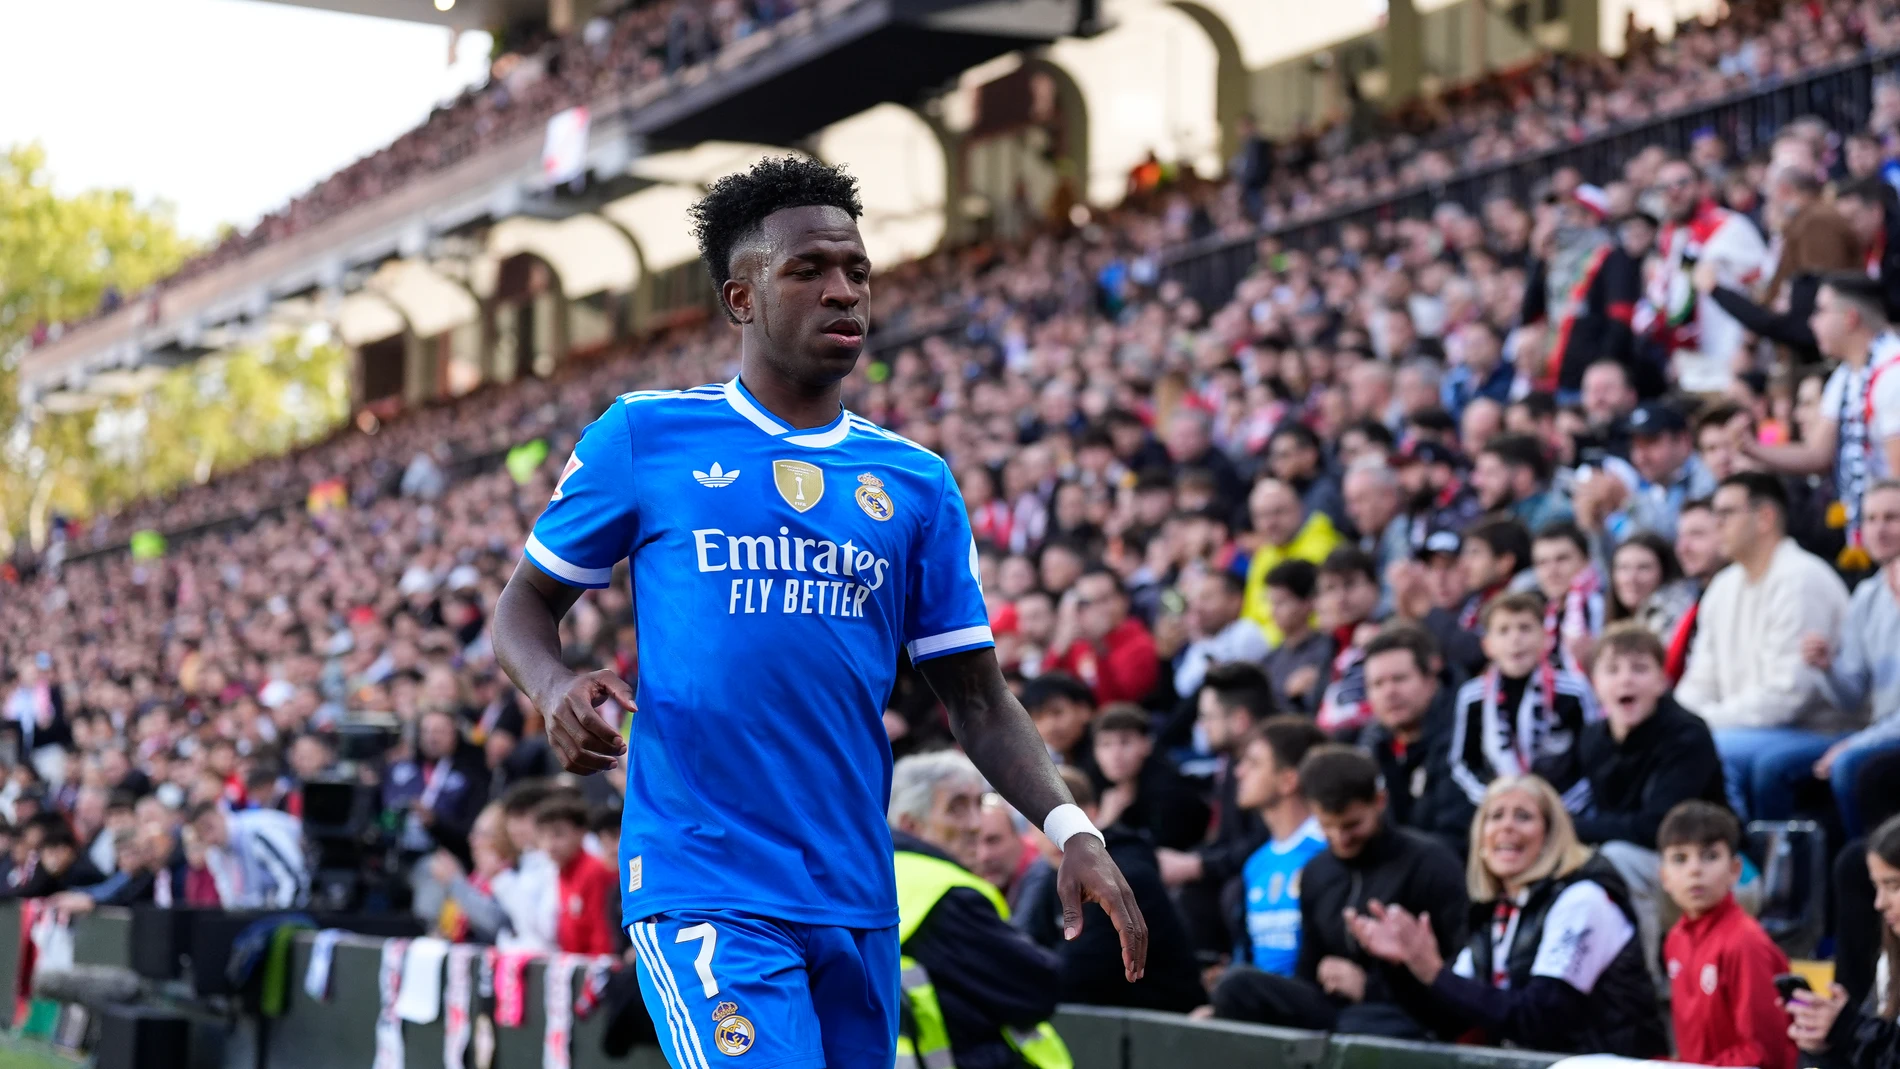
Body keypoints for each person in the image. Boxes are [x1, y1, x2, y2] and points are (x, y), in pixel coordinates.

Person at [492, 157, 1144, 1069]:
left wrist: (1072, 829)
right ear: (742, 297)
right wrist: (554, 684)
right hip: (705, 880)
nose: (844, 291)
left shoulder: (916, 482)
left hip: (856, 892)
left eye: (857, 270)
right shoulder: (645, 436)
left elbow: (980, 699)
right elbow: (524, 604)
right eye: (808, 270)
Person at [1348, 775, 1667, 1057]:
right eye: (1495, 816)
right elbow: (1451, 1019)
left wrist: (1433, 971)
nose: (1506, 826)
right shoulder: (1493, 912)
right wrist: (1403, 967)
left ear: (1551, 836)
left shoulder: (1584, 900)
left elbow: (1539, 1017)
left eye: (1523, 816)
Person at [1208, 746, 1467, 1037]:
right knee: (1236, 987)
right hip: (1334, 1010)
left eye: (1352, 825)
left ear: (1379, 802)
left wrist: (1369, 987)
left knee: (1361, 1024)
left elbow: (1459, 974)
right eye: (1327, 825)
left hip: (1408, 1012)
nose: (1341, 838)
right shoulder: (1317, 872)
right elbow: (1307, 973)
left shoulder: (1429, 863)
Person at [1676, 472, 1854, 821]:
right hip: (1742, 725)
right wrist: (1682, 723)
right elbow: (1699, 680)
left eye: (1727, 513)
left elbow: (1788, 697)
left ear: (1765, 518)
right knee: (1676, 744)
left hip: (1817, 730)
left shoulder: (1802, 578)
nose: (1717, 525)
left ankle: (1741, 848)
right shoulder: (1722, 586)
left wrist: (1700, 725)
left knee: (1710, 750)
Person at [886, 752, 1069, 1069]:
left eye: (978, 804)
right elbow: (1036, 988)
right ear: (910, 824)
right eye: (956, 808)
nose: (975, 824)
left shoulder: (882, 877)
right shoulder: (947, 894)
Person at [1577, 623, 1729, 984]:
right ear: (1595, 684)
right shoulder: (1593, 739)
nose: (1625, 679)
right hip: (1655, 870)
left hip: (1720, 870)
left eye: (1639, 668)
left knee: (1615, 860)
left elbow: (1657, 828)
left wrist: (1570, 828)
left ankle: (1643, 990)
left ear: (1662, 681)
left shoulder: (1687, 734)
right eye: (1612, 670)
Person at [1744, 274, 1900, 565]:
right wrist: (1750, 448)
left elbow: (1898, 476)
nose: (1812, 322)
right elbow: (1816, 454)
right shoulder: (1846, 375)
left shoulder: (1894, 373)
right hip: (1874, 529)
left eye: (1820, 311)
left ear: (1851, 318)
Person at [1045, 766, 1205, 1012]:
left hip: (1167, 1021)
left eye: (1064, 822)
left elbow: (1079, 973)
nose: (1054, 837)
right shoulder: (1051, 874)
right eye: (1045, 825)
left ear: (1091, 815)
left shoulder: (1121, 872)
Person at [1658, 801, 1797, 1069]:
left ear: (1734, 870)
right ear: (1664, 877)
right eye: (1680, 859)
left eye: (1710, 856)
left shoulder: (1745, 942)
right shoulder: (1675, 939)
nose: (1694, 870)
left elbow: (1763, 1054)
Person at [1806, 479, 1900, 840]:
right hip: (1877, 730)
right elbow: (1851, 697)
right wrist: (1827, 667)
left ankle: (1873, 862)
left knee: (1847, 765)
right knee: (1772, 767)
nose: (1879, 529)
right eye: (1871, 519)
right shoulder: (1867, 594)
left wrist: (1858, 744)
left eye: (1891, 517)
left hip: (1883, 735)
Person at [1157, 663, 1273, 956]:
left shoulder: (1276, 764)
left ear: (1240, 720)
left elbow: (1265, 845)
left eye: (1208, 717)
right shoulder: (1233, 762)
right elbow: (1227, 841)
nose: (1201, 726)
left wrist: (1196, 866)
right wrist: (1191, 861)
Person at [1448, 593, 1599, 814]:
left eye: (1525, 628)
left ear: (1545, 637)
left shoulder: (1574, 690)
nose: (1515, 639)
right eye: (1503, 630)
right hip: (1498, 813)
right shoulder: (1472, 696)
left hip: (1567, 814)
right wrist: (1496, 804)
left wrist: (1552, 811)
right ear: (1487, 645)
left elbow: (1593, 759)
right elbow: (1463, 764)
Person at [1789, 814, 1900, 1067]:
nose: (1879, 903)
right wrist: (1828, 1045)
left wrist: (1850, 1029)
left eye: (1893, 886)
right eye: (1877, 887)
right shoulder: (1890, 957)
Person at [1231, 717, 1330, 976]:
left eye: (1253, 763)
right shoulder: (1256, 863)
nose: (1239, 772)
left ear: (1288, 780)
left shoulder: (1326, 850)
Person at [1354, 626, 1469, 848]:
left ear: (1430, 680)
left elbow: (1455, 838)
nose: (1389, 692)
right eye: (1377, 684)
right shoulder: (1371, 747)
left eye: (1399, 679)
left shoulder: (1465, 736)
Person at [1237, 479, 1342, 645]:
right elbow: (1250, 616)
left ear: (1300, 509)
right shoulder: (1263, 556)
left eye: (1278, 512)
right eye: (1261, 516)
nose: (1270, 523)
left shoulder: (1323, 549)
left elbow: (1320, 618)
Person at [1090, 704, 1208, 851]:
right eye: (1105, 744)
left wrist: (1104, 824)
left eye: (1125, 742)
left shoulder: (1170, 793)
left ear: (1146, 744)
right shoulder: (1099, 787)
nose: (1115, 755)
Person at [382, 708, 489, 865]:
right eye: (426, 731)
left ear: (455, 735)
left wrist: (435, 822)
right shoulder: (398, 769)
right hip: (394, 855)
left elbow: (472, 830)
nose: (432, 738)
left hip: (447, 860)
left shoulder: (472, 776)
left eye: (440, 731)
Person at [1049, 568, 1160, 705]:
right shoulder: (1079, 645)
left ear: (1124, 600)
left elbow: (1119, 704)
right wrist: (1061, 643)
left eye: (1103, 599)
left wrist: (1099, 648)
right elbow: (1045, 692)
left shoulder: (1141, 644)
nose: (1095, 609)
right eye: (1086, 603)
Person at [184, 801, 308, 909]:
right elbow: (230, 900)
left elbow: (294, 881)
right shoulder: (215, 853)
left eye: (209, 827)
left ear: (221, 815)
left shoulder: (257, 832)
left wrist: (277, 918)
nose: (209, 838)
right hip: (263, 913)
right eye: (201, 835)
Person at [536, 795, 619, 956]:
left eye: (558, 835)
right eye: (543, 836)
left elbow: (603, 934)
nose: (550, 845)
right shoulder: (560, 872)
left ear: (581, 833)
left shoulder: (594, 871)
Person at [1172, 570, 1270, 701]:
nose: (1197, 607)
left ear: (1235, 600)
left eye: (1206, 598)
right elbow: (1183, 687)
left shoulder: (1246, 631)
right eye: (1195, 600)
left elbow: (1235, 689)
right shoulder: (1202, 642)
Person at [1666, 497, 1727, 684]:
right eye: (1680, 537)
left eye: (1697, 535)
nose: (1683, 548)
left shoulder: (1742, 599)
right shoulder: (1691, 603)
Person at [1531, 521, 1605, 672]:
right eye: (1542, 563)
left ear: (1586, 561)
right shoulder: (1543, 614)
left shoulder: (1601, 608)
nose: (1551, 571)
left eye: (1562, 559)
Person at [1259, 561, 1330, 714]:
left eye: (1281, 602)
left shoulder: (1328, 649)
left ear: (1307, 603)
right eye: (1271, 603)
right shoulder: (1268, 661)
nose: (1273, 611)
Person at [1472, 434, 1573, 533]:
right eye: (1479, 472)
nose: (1476, 482)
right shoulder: (1505, 515)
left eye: (1490, 473)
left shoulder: (1555, 516)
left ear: (1522, 476)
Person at [1605, 531, 1697, 640]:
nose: (1631, 578)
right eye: (1623, 568)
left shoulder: (1674, 615)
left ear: (1664, 572)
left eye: (1643, 568)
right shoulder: (1616, 618)